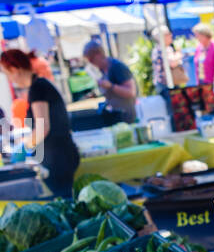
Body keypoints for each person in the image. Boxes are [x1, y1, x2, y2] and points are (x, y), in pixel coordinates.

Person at [0, 47, 80, 196]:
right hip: (60, 156)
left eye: (7, 74)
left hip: (58, 158)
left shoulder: (38, 88)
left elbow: (42, 128)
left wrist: (24, 147)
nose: (9, 80)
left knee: (65, 202)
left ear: (15, 69)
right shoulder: (40, 85)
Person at [82, 42, 139, 121]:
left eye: (91, 60)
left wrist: (111, 86)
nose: (91, 63)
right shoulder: (102, 70)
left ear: (99, 54)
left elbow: (131, 92)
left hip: (127, 115)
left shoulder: (117, 67)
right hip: (115, 115)